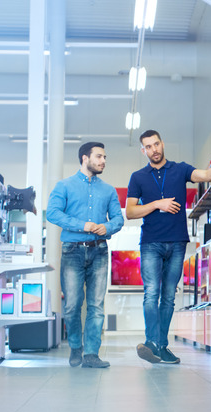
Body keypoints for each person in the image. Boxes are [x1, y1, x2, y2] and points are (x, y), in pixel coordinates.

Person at [126, 129, 211, 364]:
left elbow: (206, 175)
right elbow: (131, 211)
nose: (154, 149)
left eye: (156, 144)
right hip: (151, 243)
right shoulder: (138, 177)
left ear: (162, 144)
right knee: (151, 293)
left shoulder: (180, 169)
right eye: (148, 147)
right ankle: (152, 342)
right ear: (143, 150)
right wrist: (156, 204)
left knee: (168, 297)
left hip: (177, 242)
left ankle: (161, 346)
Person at [47, 142, 124, 368]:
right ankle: (75, 347)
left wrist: (107, 228)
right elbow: (52, 213)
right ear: (84, 158)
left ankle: (91, 353)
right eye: (99, 156)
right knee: (71, 305)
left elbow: (118, 219)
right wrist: (84, 225)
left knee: (96, 305)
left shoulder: (108, 190)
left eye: (105, 157)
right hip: (72, 251)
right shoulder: (64, 186)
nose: (103, 161)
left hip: (99, 251)